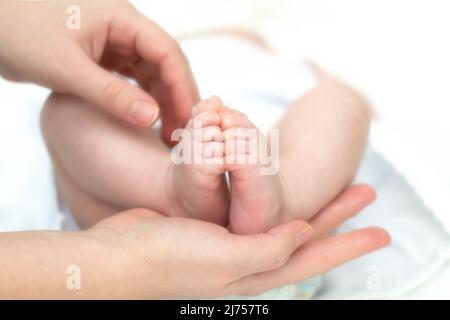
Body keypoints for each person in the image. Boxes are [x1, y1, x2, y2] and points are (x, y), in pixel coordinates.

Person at [0, 0, 389, 298]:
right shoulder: (282, 73)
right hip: (125, 259)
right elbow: (359, 118)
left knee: (66, 109)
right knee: (339, 104)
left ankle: (175, 191)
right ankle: (279, 196)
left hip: (125, 237)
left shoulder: (280, 65)